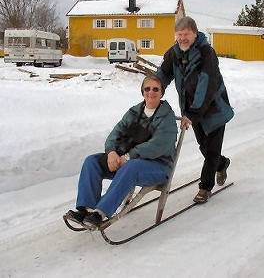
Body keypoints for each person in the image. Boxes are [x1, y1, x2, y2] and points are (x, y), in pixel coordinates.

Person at [66, 75, 178, 229]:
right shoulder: (134, 112)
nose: (151, 92)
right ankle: (87, 209)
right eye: (147, 88)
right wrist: (112, 152)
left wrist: (129, 156)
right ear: (142, 91)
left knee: (131, 167)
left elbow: (158, 146)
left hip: (157, 167)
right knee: (92, 161)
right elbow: (115, 133)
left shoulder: (167, 117)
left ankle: (100, 213)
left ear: (161, 92)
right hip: (127, 161)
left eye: (155, 89)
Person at [156, 16, 234, 203]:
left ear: (195, 33)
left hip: (214, 108)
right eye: (179, 35)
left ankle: (205, 188)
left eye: (186, 34)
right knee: (204, 148)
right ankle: (223, 164)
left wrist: (192, 113)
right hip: (193, 110)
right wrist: (152, 89)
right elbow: (163, 74)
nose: (182, 38)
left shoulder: (207, 53)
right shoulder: (174, 53)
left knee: (212, 151)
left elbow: (205, 84)